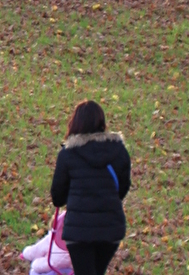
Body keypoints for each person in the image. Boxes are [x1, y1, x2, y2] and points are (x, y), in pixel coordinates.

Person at [50, 99, 132, 275]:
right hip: (111, 228)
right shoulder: (118, 151)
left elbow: (57, 197)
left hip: (79, 231)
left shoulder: (68, 154)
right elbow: (123, 188)